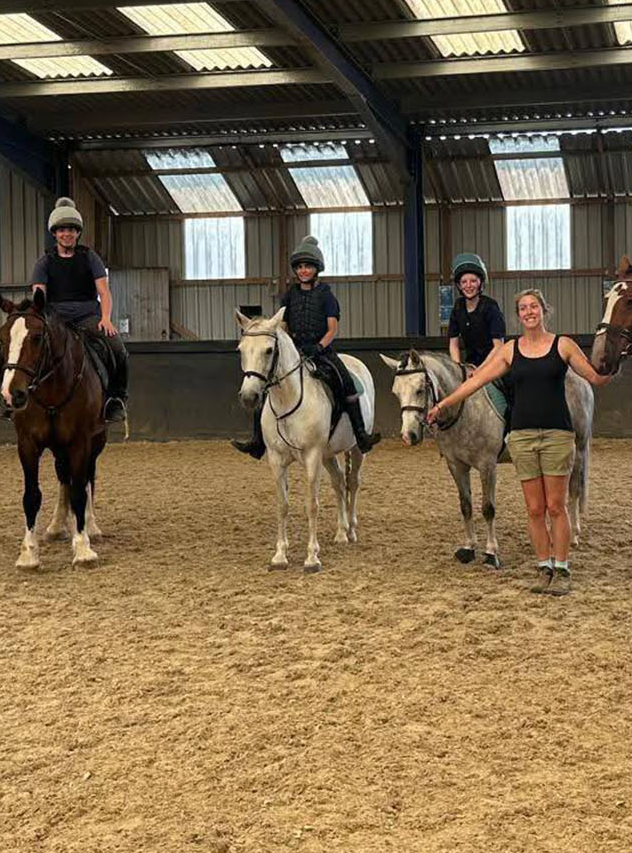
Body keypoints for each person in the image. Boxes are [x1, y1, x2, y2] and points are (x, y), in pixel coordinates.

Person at [426, 289, 612, 596]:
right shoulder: (510, 350)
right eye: (523, 308)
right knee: (534, 509)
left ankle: (562, 568)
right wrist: (443, 404)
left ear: (543, 310)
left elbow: (595, 377)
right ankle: (544, 567)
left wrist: (615, 362)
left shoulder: (563, 344)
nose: (529, 312)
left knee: (556, 507)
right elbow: (476, 381)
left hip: (557, 435)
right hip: (522, 436)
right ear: (518, 315)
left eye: (533, 306)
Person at [233, 235, 381, 457]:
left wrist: (319, 347)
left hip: (321, 351)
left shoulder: (326, 295)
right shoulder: (290, 295)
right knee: (265, 386)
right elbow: (283, 326)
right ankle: (257, 440)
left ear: (316, 269)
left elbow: (332, 329)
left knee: (346, 383)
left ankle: (361, 435)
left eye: (308, 266)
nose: (303, 271)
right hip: (294, 351)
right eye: (300, 267)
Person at [29, 196, 127, 424]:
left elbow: (104, 292)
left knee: (118, 349)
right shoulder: (44, 262)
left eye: (71, 230)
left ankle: (116, 399)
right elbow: (38, 298)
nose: (67, 234)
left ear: (77, 233)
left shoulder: (90, 258)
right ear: (55, 233)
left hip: (87, 317)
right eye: (62, 230)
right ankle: (9, 400)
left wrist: (105, 318)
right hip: (55, 320)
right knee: (19, 348)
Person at [446, 253, 507, 373]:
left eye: (473, 281)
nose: (468, 285)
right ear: (459, 285)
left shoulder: (490, 307)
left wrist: (480, 371)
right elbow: (453, 344)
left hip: (493, 365)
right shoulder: (458, 308)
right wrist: (458, 369)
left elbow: (498, 346)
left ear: (480, 283)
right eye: (464, 282)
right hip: (470, 365)